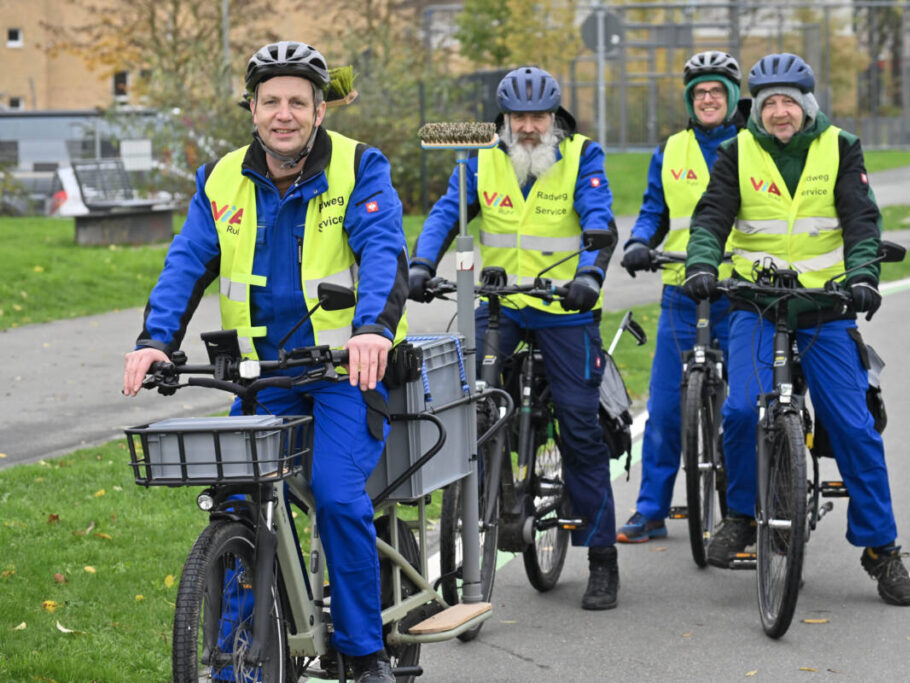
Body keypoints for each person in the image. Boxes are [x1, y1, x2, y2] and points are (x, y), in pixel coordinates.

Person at [122, 41, 408, 681]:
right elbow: (187, 263)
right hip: (264, 377)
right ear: (252, 109)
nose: (284, 113)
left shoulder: (359, 167)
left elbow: (384, 248)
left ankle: (364, 654)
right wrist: (154, 340)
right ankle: (232, 664)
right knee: (234, 507)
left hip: (343, 372)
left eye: (298, 102)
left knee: (336, 497)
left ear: (319, 110)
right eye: (271, 101)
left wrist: (373, 330)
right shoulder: (221, 177)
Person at [682, 52, 910, 606]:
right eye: (769, 104)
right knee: (740, 411)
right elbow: (712, 216)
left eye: (789, 101)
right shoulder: (737, 150)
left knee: (855, 426)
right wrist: (701, 264)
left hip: (824, 308)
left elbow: (861, 218)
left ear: (807, 105)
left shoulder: (840, 146)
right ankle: (740, 514)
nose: (779, 112)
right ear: (756, 109)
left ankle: (881, 549)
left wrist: (864, 276)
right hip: (755, 306)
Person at [408, 66, 621, 610]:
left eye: (538, 117)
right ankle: (488, 503)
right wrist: (421, 262)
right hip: (500, 305)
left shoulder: (581, 156)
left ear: (555, 118)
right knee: (468, 407)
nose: (528, 127)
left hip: (562, 308)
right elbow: (446, 213)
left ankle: (601, 560)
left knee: (579, 424)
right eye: (518, 118)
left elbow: (599, 216)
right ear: (503, 120)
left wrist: (589, 276)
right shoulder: (480, 159)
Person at [616, 51, 749, 544]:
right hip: (681, 292)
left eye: (716, 91)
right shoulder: (670, 149)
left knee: (745, 409)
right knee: (667, 411)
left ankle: (741, 512)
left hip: (741, 292)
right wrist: (638, 242)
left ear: (732, 97)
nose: (708, 99)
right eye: (699, 93)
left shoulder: (753, 145)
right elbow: (655, 210)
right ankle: (651, 509)